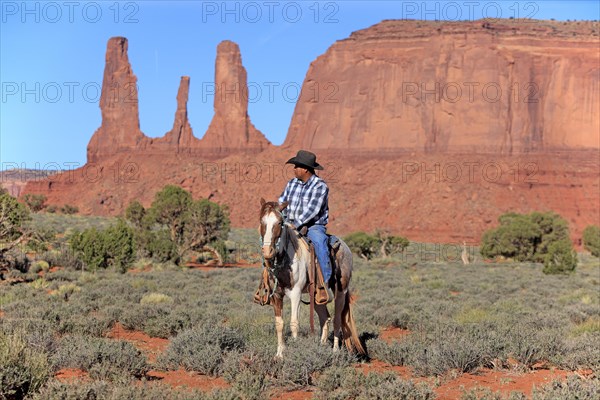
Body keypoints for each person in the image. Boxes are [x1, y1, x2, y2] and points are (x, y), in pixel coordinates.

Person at [279, 150, 333, 301]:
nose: (294, 169)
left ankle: (323, 285)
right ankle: (267, 283)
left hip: (313, 225)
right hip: (290, 223)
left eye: (296, 166)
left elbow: (313, 210)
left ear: (305, 169)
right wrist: (278, 214)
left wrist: (295, 224)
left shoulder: (320, 186)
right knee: (271, 242)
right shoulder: (291, 183)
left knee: (319, 243)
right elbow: (282, 201)